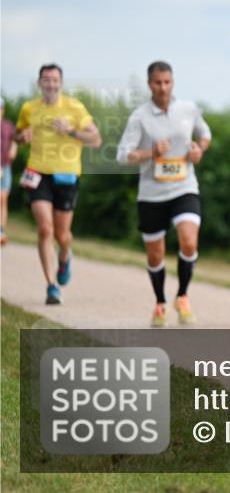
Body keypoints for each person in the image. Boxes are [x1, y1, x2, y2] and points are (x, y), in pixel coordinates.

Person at [117, 61, 212, 327]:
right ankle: (160, 303)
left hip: (184, 188)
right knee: (155, 255)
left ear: (173, 82)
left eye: (167, 82)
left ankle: (182, 296)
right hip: (151, 194)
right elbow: (123, 155)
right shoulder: (139, 117)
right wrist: (151, 153)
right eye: (158, 83)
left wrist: (199, 150)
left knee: (189, 242)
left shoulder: (188, 109)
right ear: (149, 84)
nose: (163, 87)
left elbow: (205, 135)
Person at [15, 64, 102, 305]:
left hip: (66, 175)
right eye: (46, 80)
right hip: (37, 172)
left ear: (61, 83)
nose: (50, 84)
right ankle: (51, 285)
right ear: (39, 83)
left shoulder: (74, 108)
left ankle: (65, 255)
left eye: (55, 80)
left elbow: (96, 139)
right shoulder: (29, 108)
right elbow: (18, 136)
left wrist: (71, 131)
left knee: (63, 235)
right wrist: (22, 137)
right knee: (45, 229)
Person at [1, 102, 18, 246]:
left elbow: (15, 140)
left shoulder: (8, 125)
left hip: (4, 166)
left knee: (3, 198)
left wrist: (14, 149)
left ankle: (1, 231)